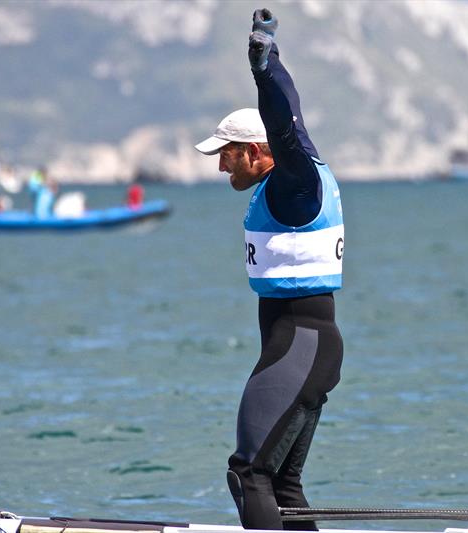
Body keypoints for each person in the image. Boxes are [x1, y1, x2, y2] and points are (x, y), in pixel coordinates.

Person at [195, 8, 344, 530]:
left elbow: (286, 122)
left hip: (299, 346)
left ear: (258, 152)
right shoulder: (290, 184)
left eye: (228, 154)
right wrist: (271, 54)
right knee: (280, 486)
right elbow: (292, 124)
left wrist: (264, 69)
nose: (220, 165)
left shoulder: (294, 187)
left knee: (248, 474)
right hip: (307, 347)